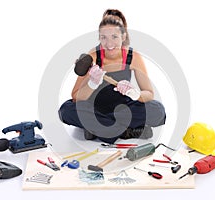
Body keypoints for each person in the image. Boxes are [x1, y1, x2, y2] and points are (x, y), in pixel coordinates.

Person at [58, 9, 166, 144]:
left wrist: (134, 93)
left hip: (123, 109)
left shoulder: (134, 57)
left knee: (157, 110)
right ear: (99, 37)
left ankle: (99, 129)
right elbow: (76, 97)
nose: (109, 44)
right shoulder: (92, 57)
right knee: (65, 110)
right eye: (104, 37)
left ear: (123, 36)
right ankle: (126, 131)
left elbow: (149, 93)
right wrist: (92, 84)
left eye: (114, 37)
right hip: (95, 107)